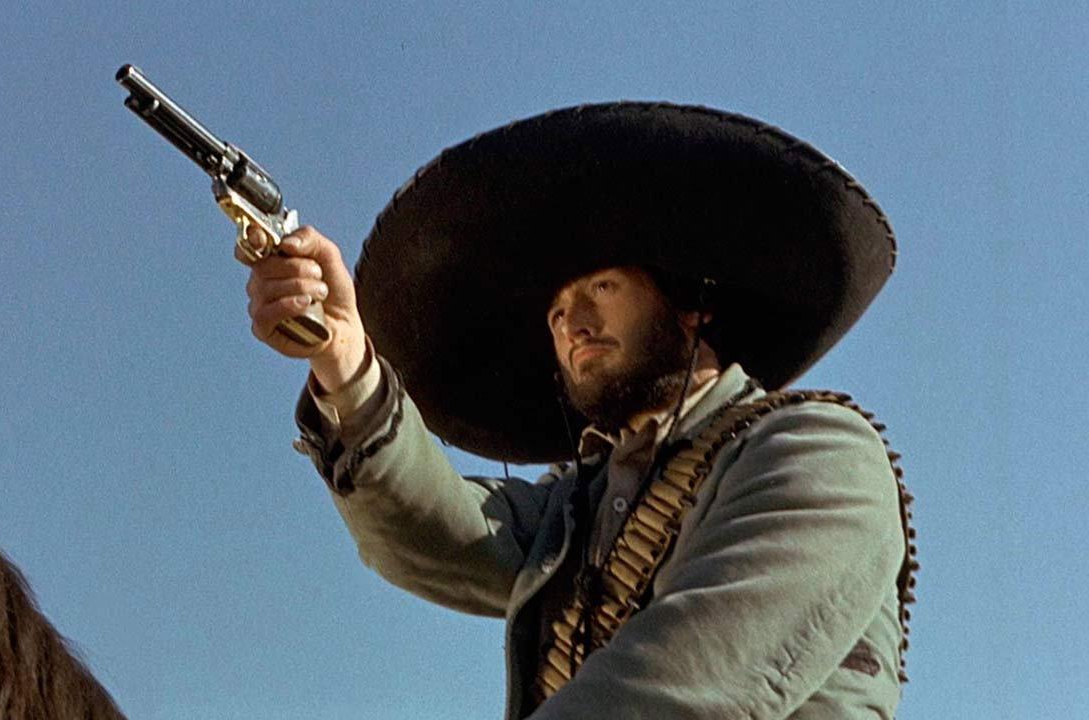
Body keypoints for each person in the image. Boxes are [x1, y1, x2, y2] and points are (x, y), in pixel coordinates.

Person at [244, 103, 916, 719]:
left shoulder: (818, 452)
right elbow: (435, 532)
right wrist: (344, 360)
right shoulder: (577, 511)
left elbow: (684, 684)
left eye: (602, 287)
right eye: (558, 311)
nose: (574, 324)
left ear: (692, 305)